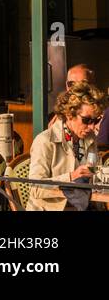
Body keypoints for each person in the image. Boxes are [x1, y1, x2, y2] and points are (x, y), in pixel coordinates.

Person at [28, 81, 106, 211]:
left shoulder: (90, 139)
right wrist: (71, 177)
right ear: (69, 114)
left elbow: (93, 173)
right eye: (87, 120)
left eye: (96, 120)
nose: (92, 127)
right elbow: (35, 188)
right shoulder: (45, 141)